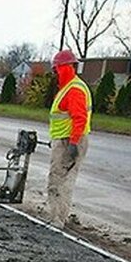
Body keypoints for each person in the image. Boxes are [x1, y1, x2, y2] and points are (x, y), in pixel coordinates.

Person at [47, 49, 92, 227]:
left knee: (60, 179)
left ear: (64, 67)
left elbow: (79, 118)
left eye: (56, 69)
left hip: (70, 141)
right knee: (59, 178)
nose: (55, 73)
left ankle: (58, 219)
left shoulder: (74, 89)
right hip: (66, 139)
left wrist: (73, 143)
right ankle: (56, 217)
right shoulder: (68, 87)